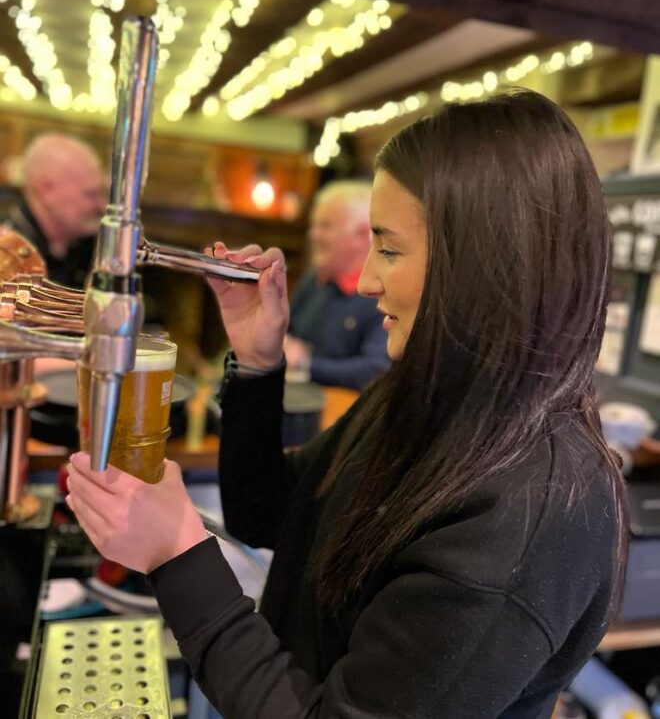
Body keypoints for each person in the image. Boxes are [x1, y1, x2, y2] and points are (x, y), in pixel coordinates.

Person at [66, 90, 628, 718]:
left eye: (388, 247)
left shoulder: (527, 516)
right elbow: (271, 515)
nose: (364, 281)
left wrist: (176, 555)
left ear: (482, 262)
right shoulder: (425, 396)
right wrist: (257, 363)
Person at [284, 180, 390, 389]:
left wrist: (305, 363)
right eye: (314, 225)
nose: (313, 235)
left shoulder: (381, 294)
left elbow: (375, 370)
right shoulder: (314, 280)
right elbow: (287, 335)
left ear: (361, 235)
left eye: (325, 225)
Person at [3, 133, 105, 288]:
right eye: (90, 194)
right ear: (46, 190)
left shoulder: (91, 247)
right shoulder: (7, 257)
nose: (102, 205)